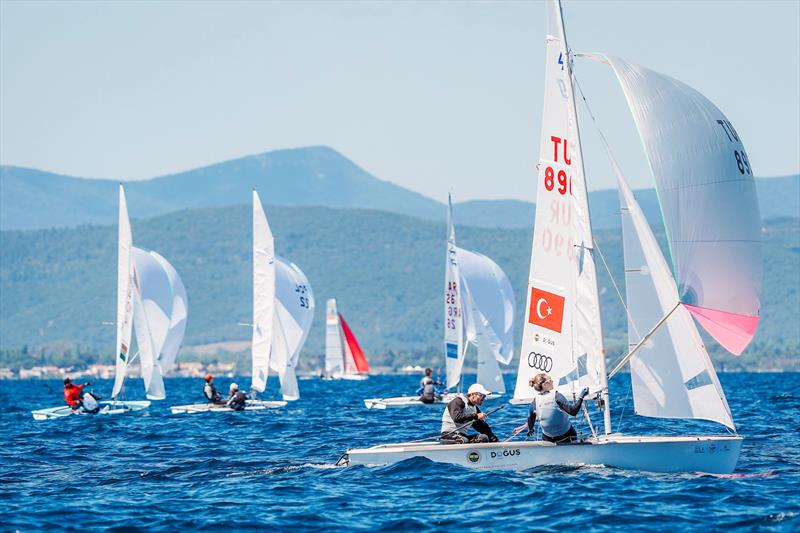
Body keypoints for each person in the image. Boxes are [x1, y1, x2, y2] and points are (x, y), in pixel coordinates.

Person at [526, 373, 589, 444]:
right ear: (545, 385)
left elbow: (530, 417)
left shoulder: (535, 401)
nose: (552, 381)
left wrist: (530, 429)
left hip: (548, 438)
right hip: (565, 435)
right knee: (571, 431)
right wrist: (581, 396)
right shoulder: (556, 396)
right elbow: (573, 411)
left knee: (546, 433)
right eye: (550, 379)